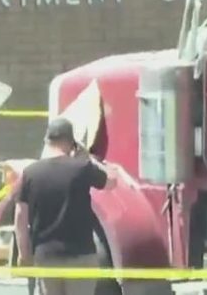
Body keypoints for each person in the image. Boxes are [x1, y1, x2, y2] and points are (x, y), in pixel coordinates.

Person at [14, 117, 134, 295]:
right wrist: (91, 160)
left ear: (47, 140)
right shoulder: (82, 168)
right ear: (71, 143)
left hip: (46, 256)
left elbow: (20, 219)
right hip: (81, 255)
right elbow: (111, 182)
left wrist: (24, 254)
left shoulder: (30, 173)